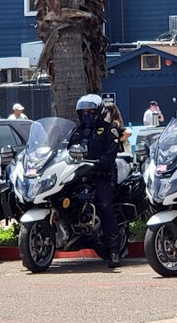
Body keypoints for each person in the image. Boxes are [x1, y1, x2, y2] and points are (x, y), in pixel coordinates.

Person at [68, 94, 123, 268]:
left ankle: (114, 251)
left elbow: (110, 155)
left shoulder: (109, 129)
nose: (87, 115)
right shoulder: (76, 131)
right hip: (78, 175)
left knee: (104, 205)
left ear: (98, 111)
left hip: (101, 174)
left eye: (90, 111)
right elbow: (64, 150)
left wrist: (96, 165)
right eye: (83, 112)